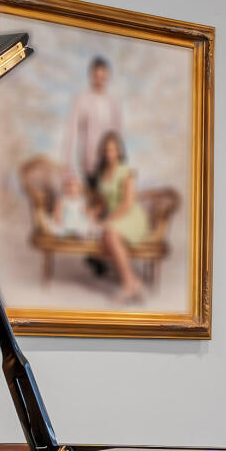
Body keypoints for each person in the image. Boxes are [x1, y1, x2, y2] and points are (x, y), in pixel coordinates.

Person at [87, 129, 150, 303]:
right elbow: (103, 202)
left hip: (131, 216)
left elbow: (128, 204)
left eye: (113, 149)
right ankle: (134, 282)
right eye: (106, 149)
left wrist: (106, 221)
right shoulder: (102, 173)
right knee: (104, 239)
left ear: (119, 151)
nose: (110, 153)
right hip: (117, 216)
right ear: (102, 152)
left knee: (110, 235)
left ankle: (129, 284)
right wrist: (92, 213)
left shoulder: (126, 171)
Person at [65, 55, 125, 199]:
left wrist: (120, 161)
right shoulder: (81, 100)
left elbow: (118, 133)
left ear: (108, 77)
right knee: (92, 202)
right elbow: (71, 132)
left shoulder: (112, 102)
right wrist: (67, 164)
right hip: (89, 162)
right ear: (91, 76)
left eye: (103, 76)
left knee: (112, 203)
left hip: (110, 163)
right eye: (96, 76)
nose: (100, 80)